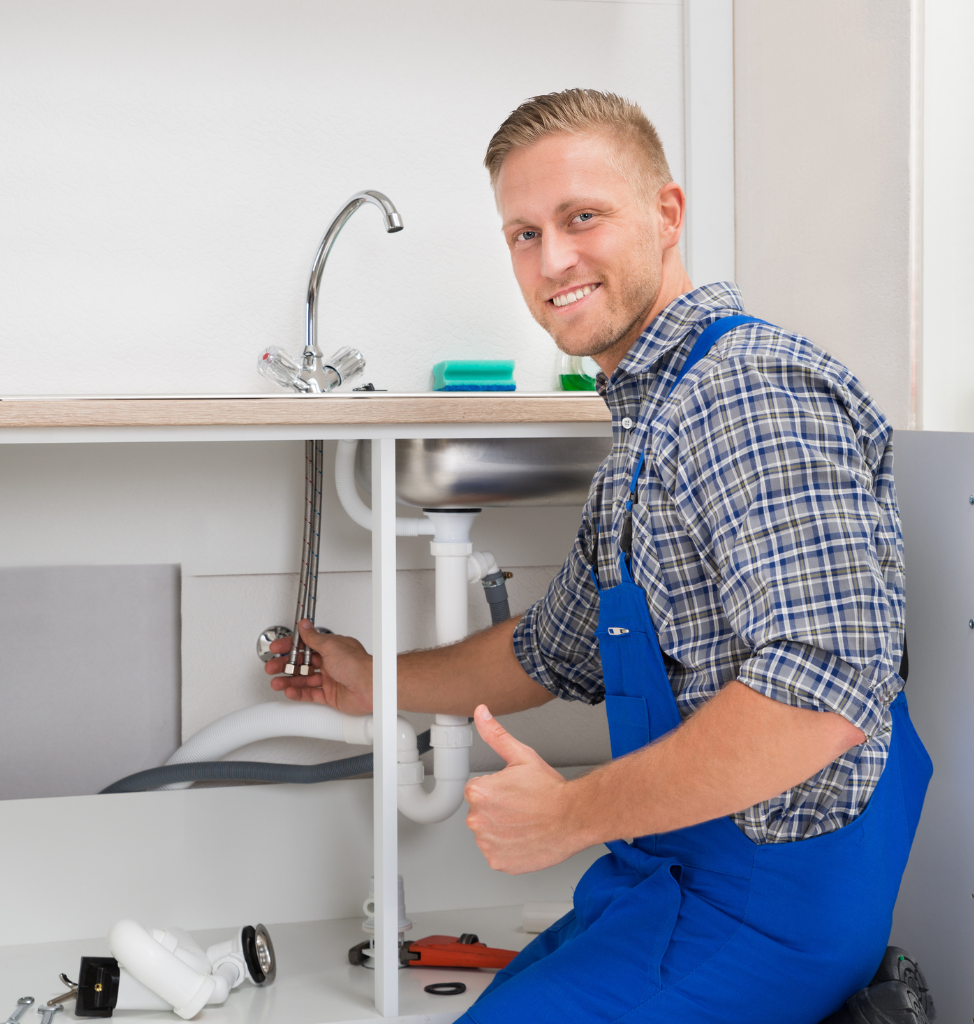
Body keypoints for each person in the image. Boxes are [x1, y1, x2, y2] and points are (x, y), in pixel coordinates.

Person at [266, 88, 931, 1024]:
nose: (553, 259)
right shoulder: (650, 422)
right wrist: (373, 679)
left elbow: (821, 694)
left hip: (767, 917)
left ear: (666, 214)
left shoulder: (745, 395)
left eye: (583, 218)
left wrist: (573, 815)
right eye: (524, 234)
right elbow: (551, 650)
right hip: (665, 877)